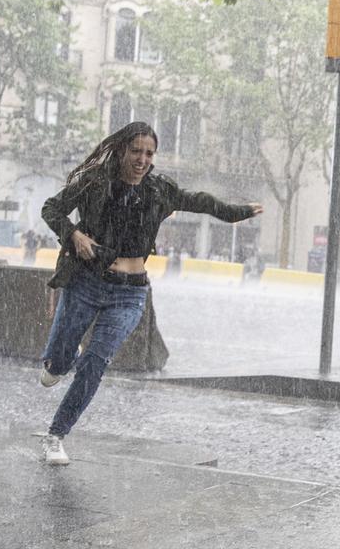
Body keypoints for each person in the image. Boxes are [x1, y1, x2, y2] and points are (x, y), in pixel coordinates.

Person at [36, 121, 262, 465]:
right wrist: (74, 235)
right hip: (86, 282)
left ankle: (56, 435)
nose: (142, 160)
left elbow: (199, 201)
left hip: (129, 294)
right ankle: (59, 358)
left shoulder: (159, 190)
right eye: (136, 151)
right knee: (58, 364)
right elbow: (51, 208)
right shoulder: (96, 182)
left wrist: (237, 212)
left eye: (149, 153)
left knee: (95, 363)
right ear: (123, 150)